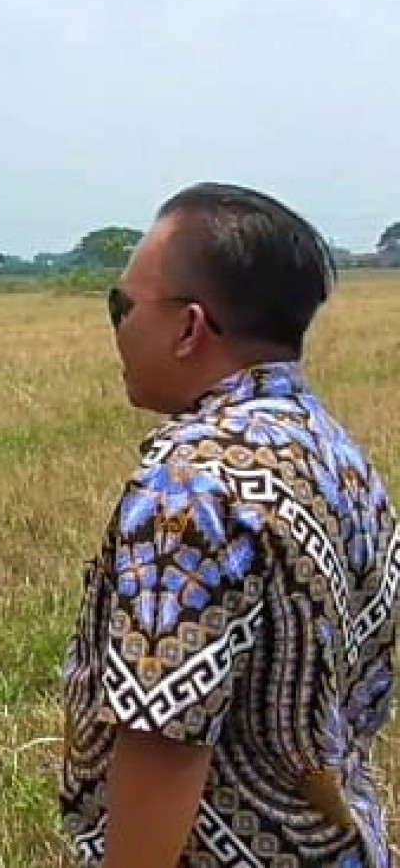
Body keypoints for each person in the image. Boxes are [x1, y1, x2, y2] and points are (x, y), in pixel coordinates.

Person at [60, 182, 399, 866]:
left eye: (121, 305)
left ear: (189, 327)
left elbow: (165, 738)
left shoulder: (187, 489)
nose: (118, 326)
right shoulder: (335, 453)